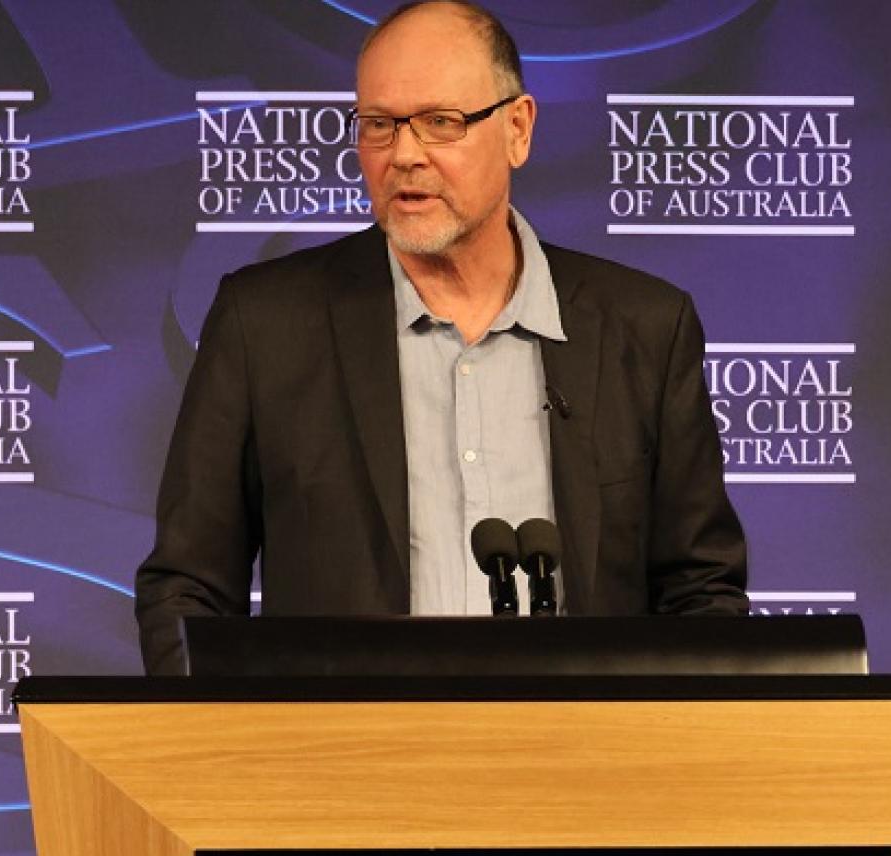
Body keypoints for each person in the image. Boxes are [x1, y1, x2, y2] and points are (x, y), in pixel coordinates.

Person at [135, 0, 746, 675]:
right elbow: (187, 591)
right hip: (345, 765)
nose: (403, 154)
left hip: (578, 768)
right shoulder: (267, 325)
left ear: (517, 128)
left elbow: (701, 596)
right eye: (378, 125)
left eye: (440, 123)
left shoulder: (645, 329)